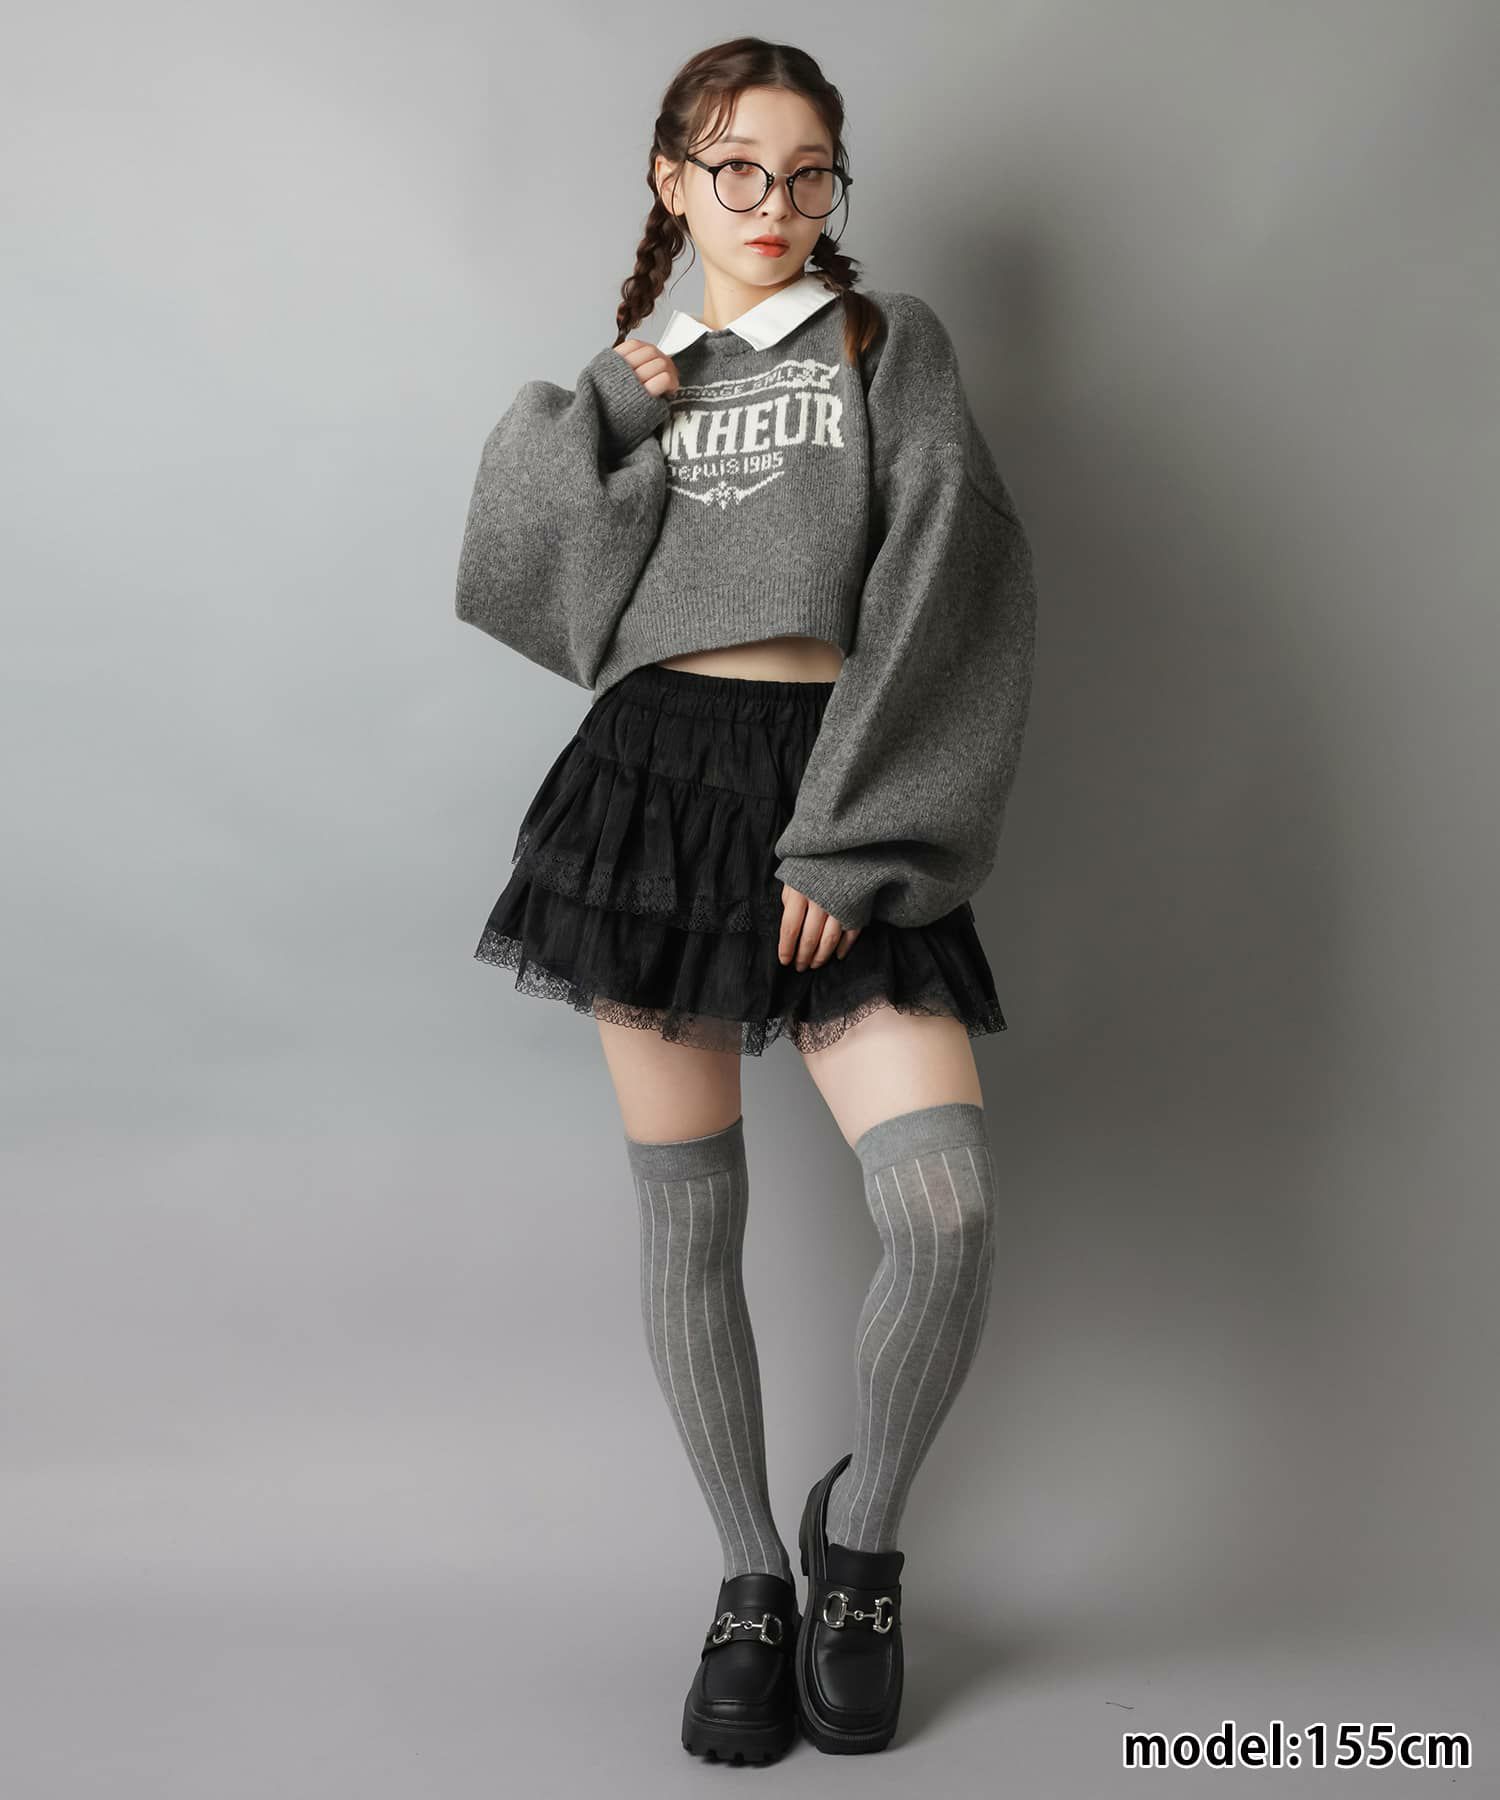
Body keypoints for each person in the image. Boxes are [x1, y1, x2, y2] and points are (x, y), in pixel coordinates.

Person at [453, 35, 1038, 1762]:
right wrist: (610, 406)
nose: (771, 203)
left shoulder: (879, 343)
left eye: (805, 173)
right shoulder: (643, 371)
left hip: (839, 774)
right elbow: (528, 588)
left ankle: (860, 1547)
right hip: (651, 789)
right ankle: (748, 1579)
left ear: (835, 185)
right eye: (735, 169)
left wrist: (850, 841)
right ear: (673, 178)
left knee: (944, 1210)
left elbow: (952, 583)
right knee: (690, 1221)